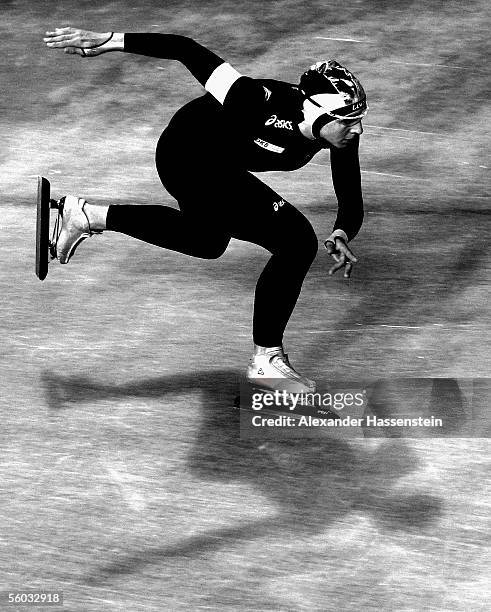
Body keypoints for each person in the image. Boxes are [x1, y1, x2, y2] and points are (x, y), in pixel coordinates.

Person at [43, 27, 368, 394]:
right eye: (346, 119)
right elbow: (185, 49)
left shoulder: (342, 135)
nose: (356, 129)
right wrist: (109, 41)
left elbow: (350, 196)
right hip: (186, 152)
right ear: (316, 110)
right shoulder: (258, 99)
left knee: (206, 241)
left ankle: (85, 216)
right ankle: (266, 361)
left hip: (221, 165)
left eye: (358, 118)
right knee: (296, 241)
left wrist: (342, 231)